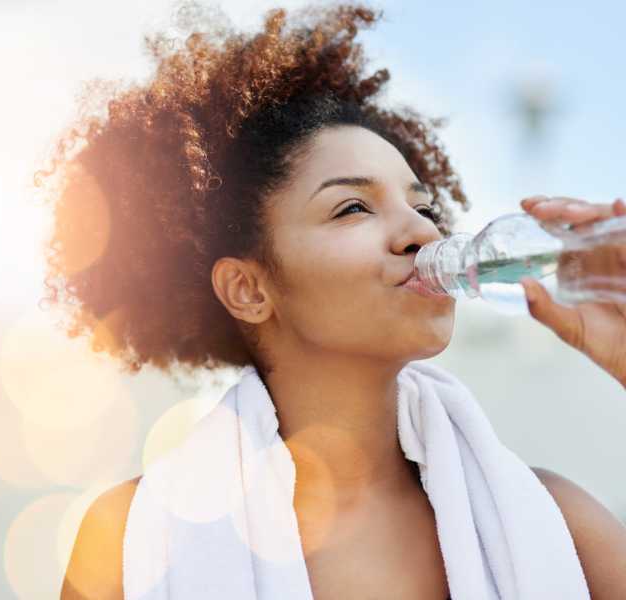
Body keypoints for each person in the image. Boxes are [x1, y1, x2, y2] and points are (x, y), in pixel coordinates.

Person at [36, 2, 626, 599]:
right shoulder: (129, 543)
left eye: (425, 208)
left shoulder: (563, 527)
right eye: (353, 208)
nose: (423, 233)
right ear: (249, 289)